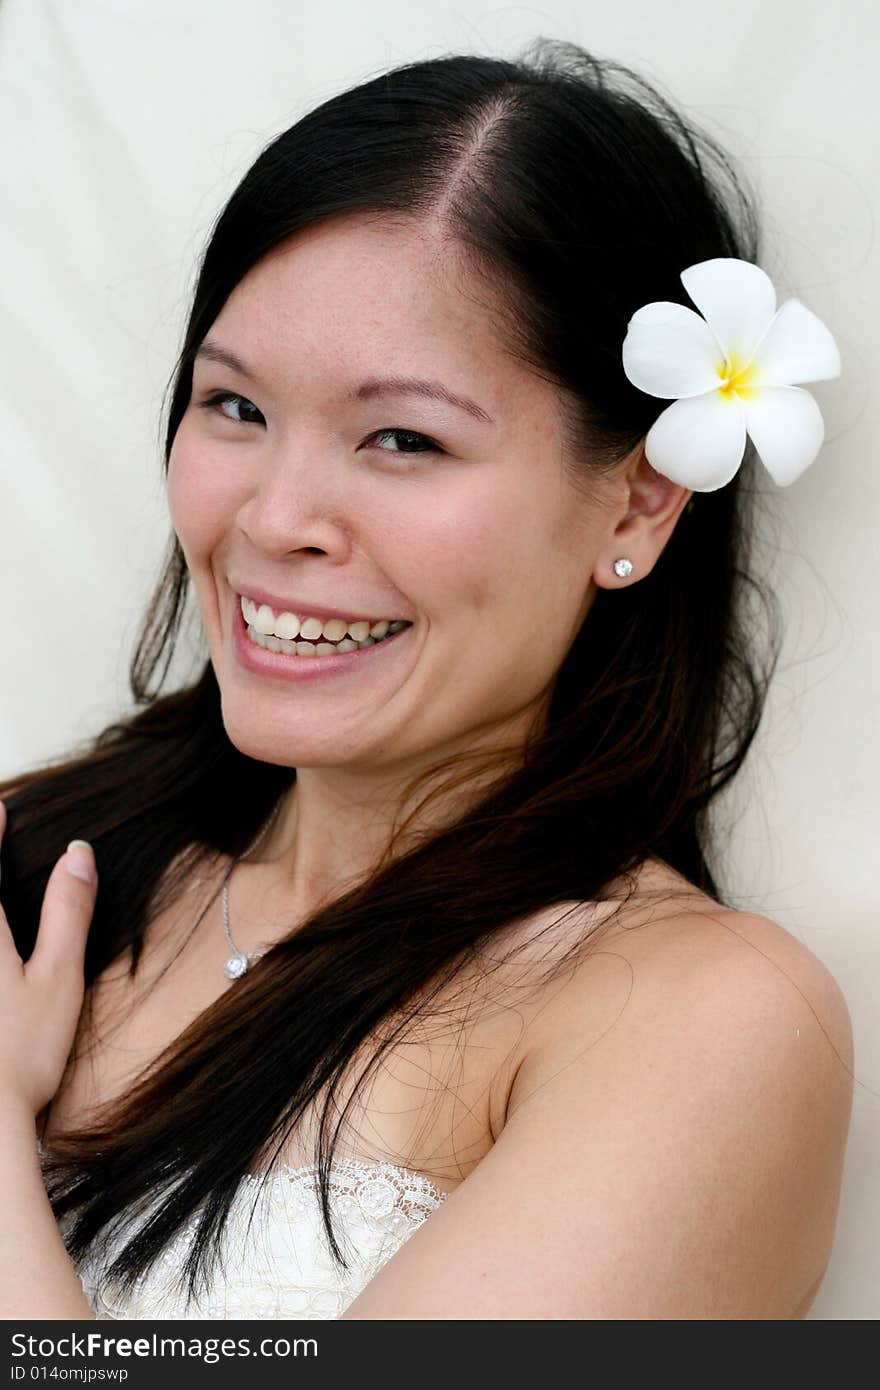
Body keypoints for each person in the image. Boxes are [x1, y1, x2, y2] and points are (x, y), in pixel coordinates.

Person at [0, 39, 853, 1321]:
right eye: (234, 408)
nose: (276, 514)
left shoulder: (699, 1018)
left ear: (639, 496)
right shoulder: (42, 859)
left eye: (402, 438)